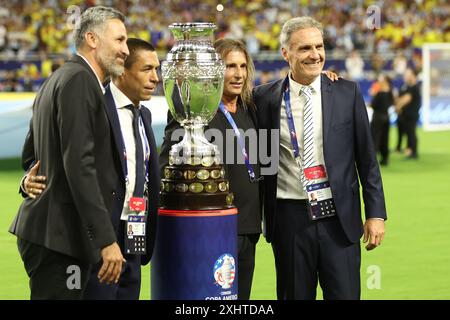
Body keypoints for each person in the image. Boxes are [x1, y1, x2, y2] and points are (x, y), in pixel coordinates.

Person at [254, 16, 387, 300]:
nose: (315, 55)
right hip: (289, 219)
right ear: (285, 53)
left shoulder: (346, 93)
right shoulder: (263, 98)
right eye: (304, 49)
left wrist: (375, 213)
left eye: (319, 46)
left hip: (340, 219)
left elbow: (367, 159)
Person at [21, 38, 161, 300]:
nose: (156, 77)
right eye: (147, 69)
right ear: (122, 70)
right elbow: (38, 154)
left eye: (157, 69)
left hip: (133, 232)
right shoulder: (91, 100)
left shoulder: (143, 115)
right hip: (96, 235)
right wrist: (28, 180)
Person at [9, 6, 130, 300]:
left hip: (52, 234)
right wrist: (106, 239)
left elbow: (31, 154)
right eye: (119, 40)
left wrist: (29, 179)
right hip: (60, 237)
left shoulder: (59, 77)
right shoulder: (80, 81)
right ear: (92, 38)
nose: (126, 50)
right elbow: (79, 164)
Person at [159, 39, 262, 300]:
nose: (238, 73)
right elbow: (167, 162)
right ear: (213, 70)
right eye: (230, 66)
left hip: (248, 227)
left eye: (242, 66)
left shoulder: (251, 108)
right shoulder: (195, 110)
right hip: (208, 227)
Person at [395, 67, 421, 159]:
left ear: (413, 76)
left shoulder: (414, 87)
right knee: (409, 133)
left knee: (411, 133)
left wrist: (398, 105)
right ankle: (409, 150)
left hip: (412, 114)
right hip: (407, 114)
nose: (406, 76)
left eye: (408, 74)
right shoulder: (408, 86)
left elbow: (407, 98)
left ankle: (413, 152)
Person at [371, 74, 394, 166]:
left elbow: (373, 105)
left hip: (377, 118)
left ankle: (373, 159)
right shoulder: (390, 93)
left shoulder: (379, 93)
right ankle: (385, 158)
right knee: (385, 138)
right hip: (386, 117)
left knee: (375, 138)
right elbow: (391, 103)